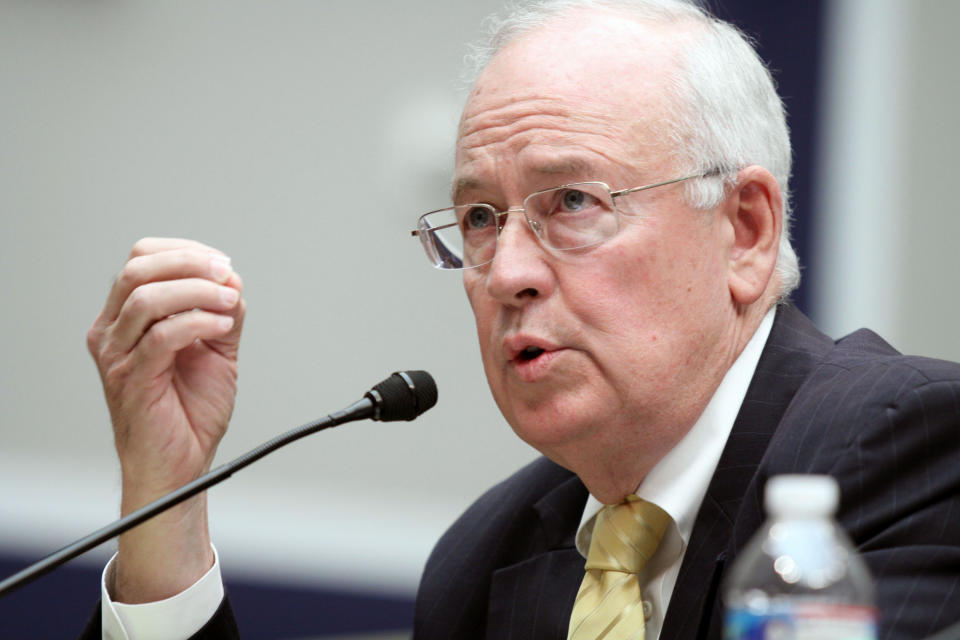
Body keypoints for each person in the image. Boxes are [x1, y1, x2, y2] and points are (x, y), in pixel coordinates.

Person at [81, 1, 960, 638]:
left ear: (745, 231)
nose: (506, 272)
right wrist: (167, 498)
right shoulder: (486, 560)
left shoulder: (901, 453)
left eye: (572, 201)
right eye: (479, 219)